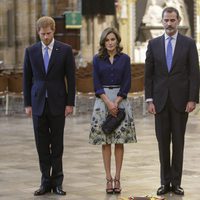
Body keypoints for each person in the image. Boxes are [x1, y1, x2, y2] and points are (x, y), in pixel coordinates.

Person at [145, 7, 199, 196]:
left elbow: (194, 73)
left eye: (172, 20)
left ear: (178, 21)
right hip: (159, 102)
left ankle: (176, 183)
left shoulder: (189, 44)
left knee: (178, 143)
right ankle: (164, 182)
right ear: (162, 21)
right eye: (166, 20)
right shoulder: (153, 44)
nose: (169, 24)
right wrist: (149, 99)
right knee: (162, 144)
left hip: (180, 101)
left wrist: (192, 98)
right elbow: (149, 75)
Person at [23, 16, 75, 196]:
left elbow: (71, 78)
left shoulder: (65, 50)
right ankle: (45, 181)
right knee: (42, 145)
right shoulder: (31, 51)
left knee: (57, 144)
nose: (46, 37)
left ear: (54, 31)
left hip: (58, 103)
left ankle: (58, 181)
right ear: (38, 33)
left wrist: (70, 103)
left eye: (49, 33)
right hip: (37, 104)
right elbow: (26, 79)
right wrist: (27, 104)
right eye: (43, 34)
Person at [89, 27, 137, 194]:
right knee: (106, 141)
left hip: (120, 100)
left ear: (117, 41)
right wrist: (108, 102)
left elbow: (127, 82)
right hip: (103, 101)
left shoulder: (125, 59)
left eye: (112, 39)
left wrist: (116, 101)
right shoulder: (97, 59)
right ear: (103, 42)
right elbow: (96, 83)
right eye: (107, 40)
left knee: (119, 141)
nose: (110, 42)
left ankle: (118, 177)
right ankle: (108, 178)